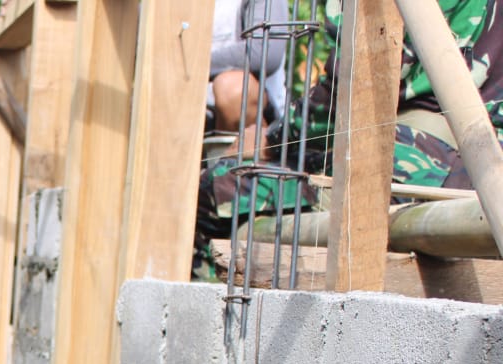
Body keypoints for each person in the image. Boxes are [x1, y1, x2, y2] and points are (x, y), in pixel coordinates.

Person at [194, 0, 503, 278]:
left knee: (212, 188)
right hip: (487, 174)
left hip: (408, 167)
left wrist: (272, 139)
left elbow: (349, 89)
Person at [208, 0, 288, 136]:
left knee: (234, 87)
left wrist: (195, 66)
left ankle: (250, 147)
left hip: (246, 115)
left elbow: (264, 52)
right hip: (186, 108)